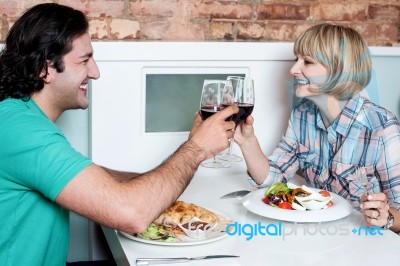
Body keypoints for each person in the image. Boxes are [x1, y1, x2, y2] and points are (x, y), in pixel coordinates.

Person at [0, 3, 238, 265]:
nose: (95, 72)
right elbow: (131, 214)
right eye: (84, 60)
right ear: (46, 69)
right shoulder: (21, 130)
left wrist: (163, 180)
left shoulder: (19, 116)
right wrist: (197, 149)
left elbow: (89, 179)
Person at [235, 23, 400, 233]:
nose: (294, 69)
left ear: (339, 69)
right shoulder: (302, 115)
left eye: (308, 62)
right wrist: (247, 141)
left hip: (364, 242)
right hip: (317, 234)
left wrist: (385, 218)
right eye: (297, 60)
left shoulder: (382, 129)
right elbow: (272, 178)